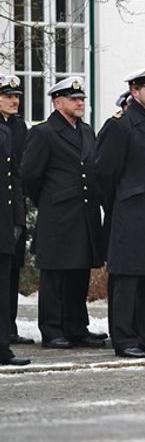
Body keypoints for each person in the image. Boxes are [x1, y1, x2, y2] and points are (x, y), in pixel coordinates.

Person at [95, 66, 145, 358]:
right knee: (128, 279)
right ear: (134, 91)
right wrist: (120, 203)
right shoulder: (120, 125)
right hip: (131, 212)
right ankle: (125, 337)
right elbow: (104, 173)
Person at [20, 77, 105, 349]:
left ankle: (76, 326)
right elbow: (30, 175)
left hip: (84, 213)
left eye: (82, 99)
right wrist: (49, 200)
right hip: (58, 213)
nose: (80, 103)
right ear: (58, 103)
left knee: (79, 273)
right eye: (74, 99)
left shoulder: (87, 131)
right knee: (55, 276)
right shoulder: (44, 132)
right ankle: (52, 329)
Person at [0, 75, 30, 346]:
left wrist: (20, 215)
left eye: (17, 96)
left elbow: (21, 174)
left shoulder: (20, 127)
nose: (14, 100)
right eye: (7, 96)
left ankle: (9, 327)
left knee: (11, 273)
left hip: (13, 209)